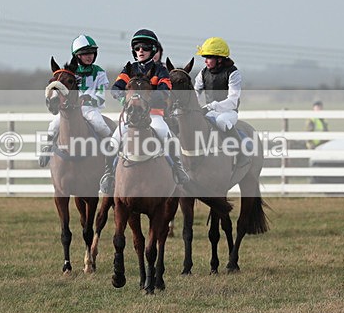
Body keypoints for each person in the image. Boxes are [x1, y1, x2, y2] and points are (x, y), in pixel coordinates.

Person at [99, 29, 189, 194]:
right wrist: (124, 100)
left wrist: (144, 101)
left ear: (153, 50)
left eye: (145, 47)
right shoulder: (129, 68)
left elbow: (165, 92)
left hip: (153, 114)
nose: (141, 51)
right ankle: (109, 173)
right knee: (114, 139)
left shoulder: (160, 70)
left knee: (165, 134)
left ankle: (177, 168)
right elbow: (115, 89)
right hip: (130, 115)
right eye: (137, 47)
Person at [39, 34, 112, 167]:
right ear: (77, 56)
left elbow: (100, 96)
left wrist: (88, 98)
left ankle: (110, 154)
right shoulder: (69, 73)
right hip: (71, 109)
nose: (89, 56)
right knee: (53, 125)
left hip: (90, 109)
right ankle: (47, 149)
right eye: (85, 54)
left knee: (100, 125)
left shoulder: (99, 73)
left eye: (91, 53)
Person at [194, 36, 250, 169]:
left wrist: (211, 106)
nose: (206, 61)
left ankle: (242, 153)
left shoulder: (233, 73)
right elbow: (195, 91)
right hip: (211, 112)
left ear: (219, 59)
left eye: (209, 58)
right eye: (205, 58)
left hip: (228, 112)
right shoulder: (203, 73)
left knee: (221, 122)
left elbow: (233, 100)